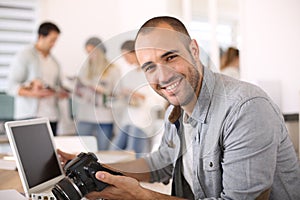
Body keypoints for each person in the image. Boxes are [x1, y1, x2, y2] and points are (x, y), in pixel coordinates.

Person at [59, 16, 300, 199]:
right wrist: (97, 169)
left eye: (171, 57)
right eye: (150, 67)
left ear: (194, 50)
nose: (162, 76)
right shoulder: (175, 112)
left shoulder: (245, 108)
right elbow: (160, 163)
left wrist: (141, 196)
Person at [7, 22, 68, 136]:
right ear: (41, 37)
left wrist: (60, 93)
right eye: (52, 40)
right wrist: (34, 93)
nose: (54, 44)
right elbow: (11, 86)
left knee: (50, 153)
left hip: (51, 117)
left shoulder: (54, 61)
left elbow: (57, 86)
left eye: (56, 40)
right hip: (29, 117)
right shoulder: (25, 55)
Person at [110, 40, 166, 157]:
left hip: (143, 121)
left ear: (135, 53)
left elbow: (160, 100)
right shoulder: (133, 73)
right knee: (114, 149)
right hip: (129, 119)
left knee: (133, 153)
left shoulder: (153, 72)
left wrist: (138, 95)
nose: (125, 60)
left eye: (126, 56)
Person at [74, 37, 121, 150]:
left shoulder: (113, 70)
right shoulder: (84, 69)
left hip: (104, 118)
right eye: (88, 52)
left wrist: (103, 91)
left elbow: (118, 94)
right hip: (85, 116)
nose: (90, 55)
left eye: (93, 52)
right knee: (81, 149)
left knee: (103, 152)